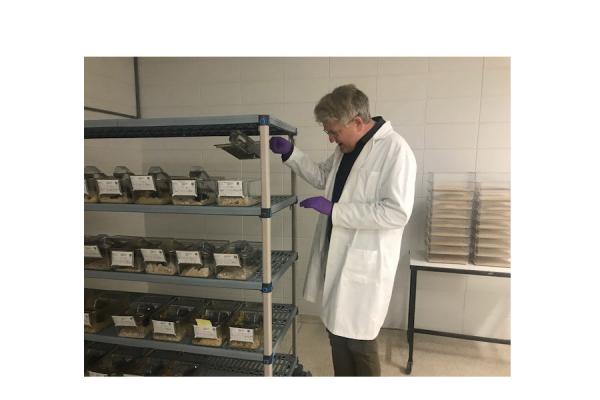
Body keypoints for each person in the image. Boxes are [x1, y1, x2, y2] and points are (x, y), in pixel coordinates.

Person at [269, 84, 417, 376]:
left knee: (360, 344)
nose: (330, 138)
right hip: (337, 256)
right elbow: (323, 176)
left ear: (358, 122)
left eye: (333, 131)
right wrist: (292, 154)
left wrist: (336, 211)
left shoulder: (395, 151)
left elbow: (396, 212)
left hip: (365, 264)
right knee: (336, 336)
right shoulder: (345, 149)